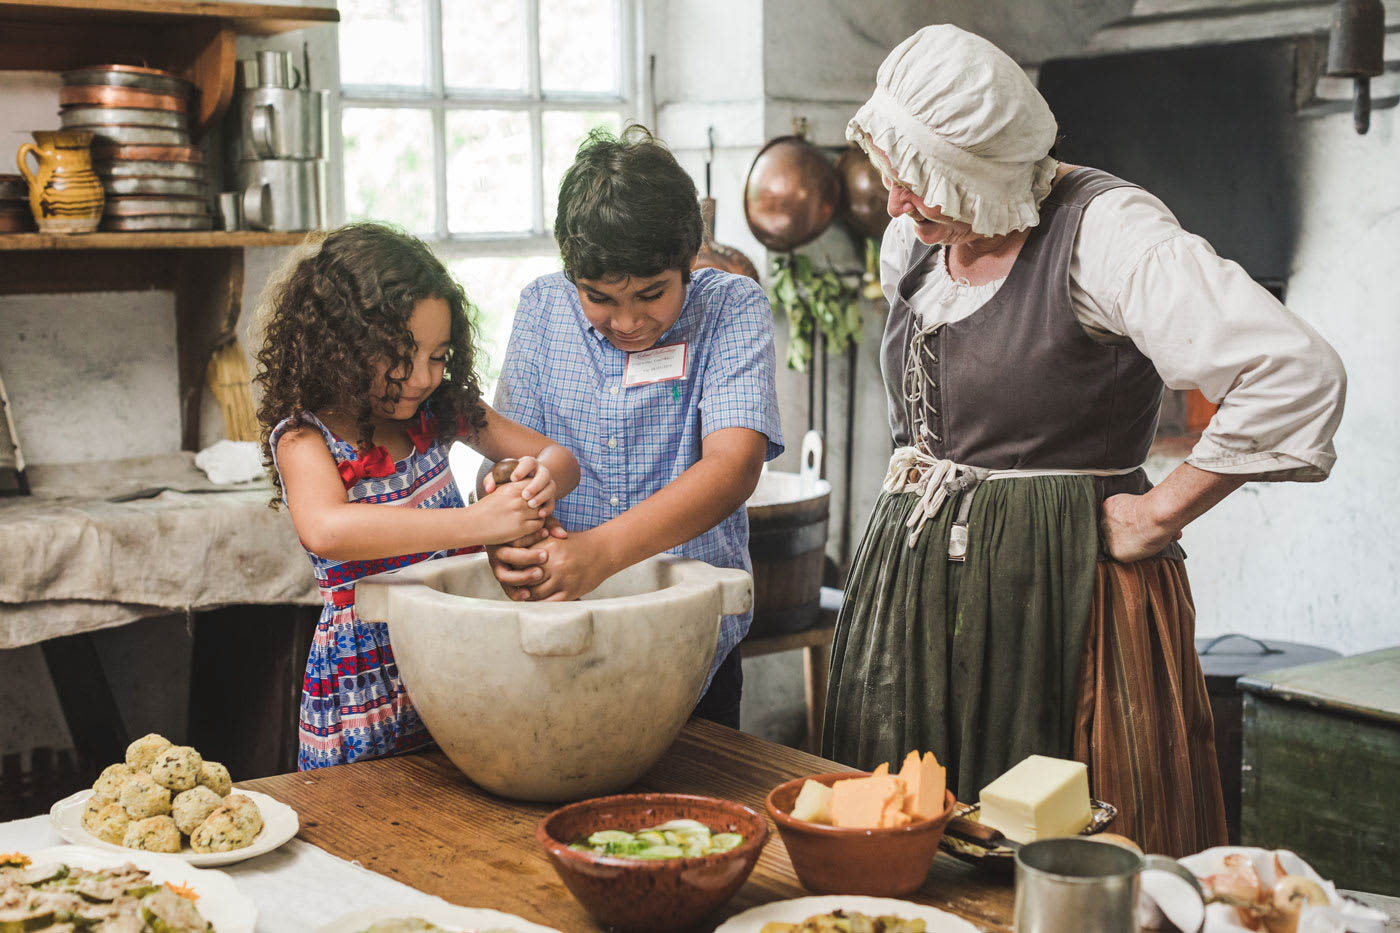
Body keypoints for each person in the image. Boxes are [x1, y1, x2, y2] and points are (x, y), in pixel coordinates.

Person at [824, 25, 1345, 856]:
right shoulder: (913, 239)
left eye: (920, 185)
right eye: (894, 180)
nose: (896, 205)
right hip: (916, 589)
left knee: (1072, 833)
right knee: (905, 828)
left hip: (1067, 587)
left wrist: (1157, 515)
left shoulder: (1107, 234)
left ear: (987, 176)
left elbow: (1293, 370)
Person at [484, 127, 784, 729]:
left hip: (692, 641)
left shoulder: (731, 306)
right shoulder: (543, 309)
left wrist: (600, 553)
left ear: (689, 261)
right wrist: (502, 501)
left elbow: (732, 468)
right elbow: (510, 455)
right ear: (572, 275)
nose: (627, 322)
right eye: (599, 298)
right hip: (564, 634)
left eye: (652, 294)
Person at [256, 223, 580, 770]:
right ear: (339, 346)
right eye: (401, 356)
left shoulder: (440, 412)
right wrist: (479, 525)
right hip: (366, 682)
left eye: (438, 356)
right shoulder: (304, 437)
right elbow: (328, 530)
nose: (423, 377)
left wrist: (533, 481)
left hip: (456, 654)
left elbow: (560, 457)